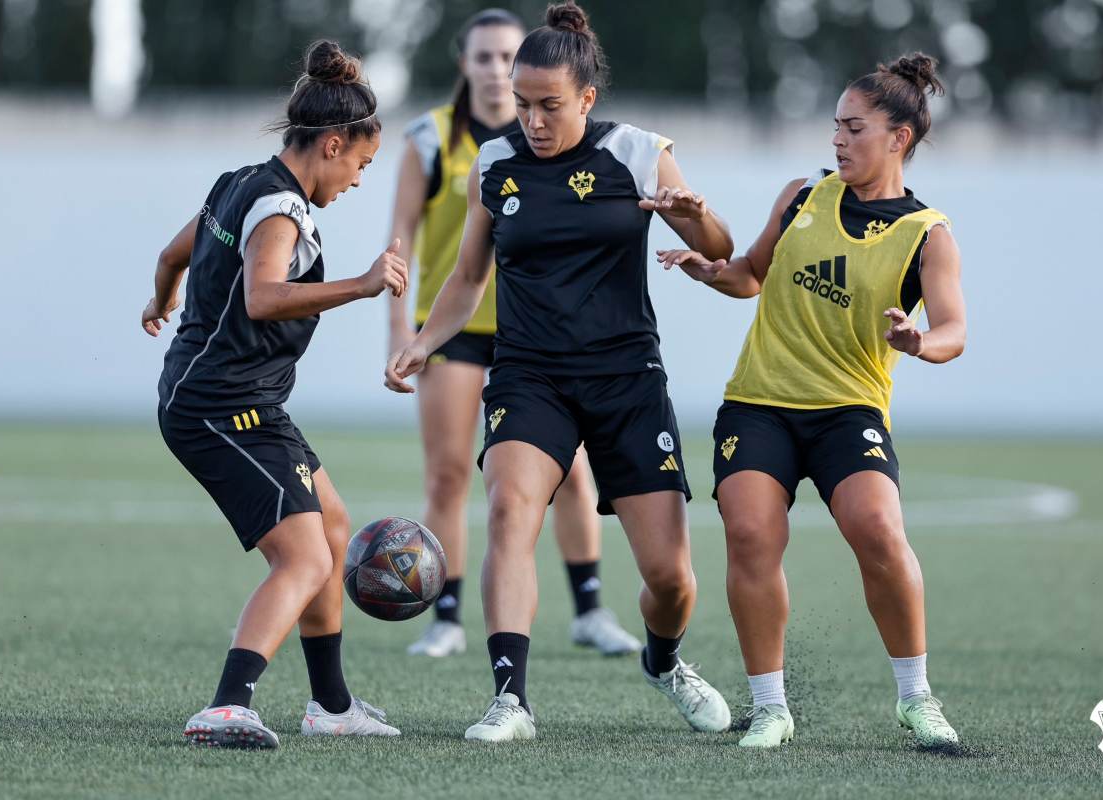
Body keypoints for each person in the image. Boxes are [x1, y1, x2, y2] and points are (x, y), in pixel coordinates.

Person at [386, 1, 735, 743]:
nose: (532, 121)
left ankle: (664, 660)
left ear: (586, 98)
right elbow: (467, 277)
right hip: (529, 374)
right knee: (511, 510)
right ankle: (509, 701)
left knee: (670, 580)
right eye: (521, 105)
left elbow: (720, 244)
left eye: (549, 106)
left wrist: (693, 214)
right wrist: (424, 339)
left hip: (627, 381)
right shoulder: (495, 162)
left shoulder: (639, 151)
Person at [658, 53, 965, 750]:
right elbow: (749, 277)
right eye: (833, 127)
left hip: (847, 411)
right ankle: (770, 707)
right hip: (758, 402)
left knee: (879, 533)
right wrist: (708, 271)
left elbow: (954, 331)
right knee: (749, 535)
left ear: (898, 139)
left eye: (853, 128)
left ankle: (916, 698)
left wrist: (919, 342)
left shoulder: (926, 234)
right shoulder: (803, 195)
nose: (837, 140)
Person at [144, 40, 407, 749]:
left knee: (331, 522)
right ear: (331, 143)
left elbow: (174, 255)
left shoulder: (238, 181)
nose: (357, 180)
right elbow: (263, 298)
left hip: (228, 395)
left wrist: (160, 300)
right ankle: (226, 705)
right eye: (360, 163)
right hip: (221, 408)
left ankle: (329, 705)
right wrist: (361, 282)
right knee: (306, 558)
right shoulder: (280, 206)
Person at [388, 7, 639, 659]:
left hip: (541, 334)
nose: (497, 71)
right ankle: (445, 615)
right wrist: (404, 334)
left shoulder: (555, 142)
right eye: (484, 58)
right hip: (455, 330)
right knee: (448, 474)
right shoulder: (429, 140)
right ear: (464, 64)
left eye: (507, 58)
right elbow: (400, 247)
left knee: (571, 472)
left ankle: (589, 609)